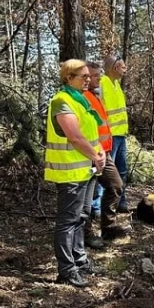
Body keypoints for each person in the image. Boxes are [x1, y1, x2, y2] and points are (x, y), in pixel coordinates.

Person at [45, 60, 106, 288]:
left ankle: (79, 261)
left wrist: (100, 154)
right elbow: (75, 137)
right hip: (70, 173)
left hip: (86, 170)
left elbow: (91, 134)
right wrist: (96, 155)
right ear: (68, 78)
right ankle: (66, 270)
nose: (88, 79)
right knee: (68, 221)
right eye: (83, 76)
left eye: (89, 76)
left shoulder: (82, 100)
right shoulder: (62, 101)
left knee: (81, 217)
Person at [84, 62, 131, 244]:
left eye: (96, 75)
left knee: (116, 185)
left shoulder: (95, 95)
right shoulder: (83, 97)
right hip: (90, 154)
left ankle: (108, 227)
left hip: (105, 151)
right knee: (86, 198)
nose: (96, 78)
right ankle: (86, 234)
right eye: (92, 75)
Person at [100, 56, 129, 211]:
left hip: (120, 135)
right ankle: (97, 208)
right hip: (109, 136)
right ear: (114, 68)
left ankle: (121, 203)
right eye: (123, 67)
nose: (125, 69)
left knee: (122, 170)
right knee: (105, 172)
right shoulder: (102, 83)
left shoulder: (117, 84)